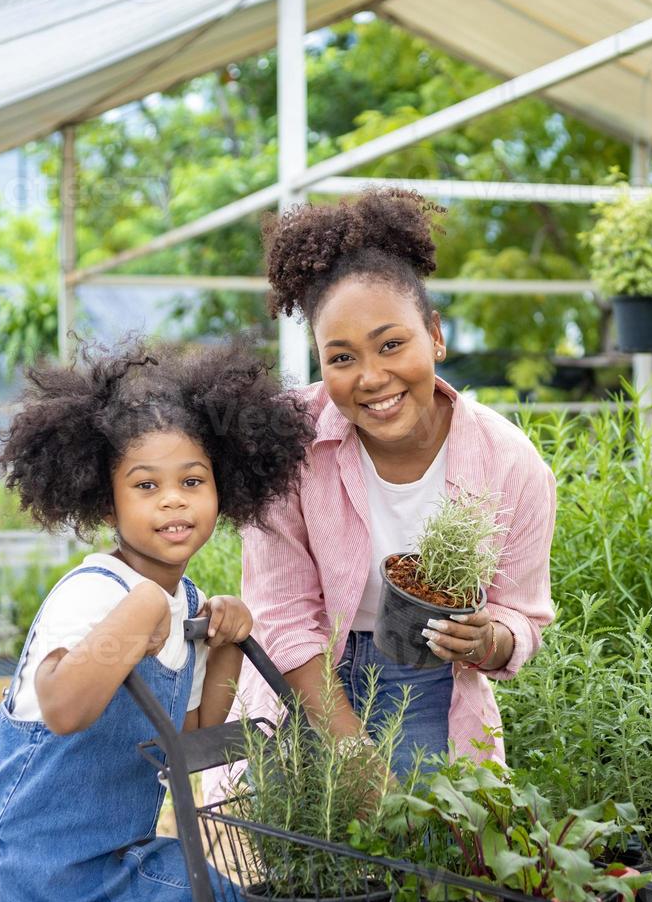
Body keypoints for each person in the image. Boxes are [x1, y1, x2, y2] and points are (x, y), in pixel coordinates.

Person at [0, 339, 312, 902]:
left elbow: (190, 735)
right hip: (27, 880)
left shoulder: (186, 602)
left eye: (193, 481)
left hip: (114, 864)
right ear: (106, 497)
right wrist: (139, 609)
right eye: (146, 486)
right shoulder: (92, 592)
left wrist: (222, 644)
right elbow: (65, 708)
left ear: (222, 490)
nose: (173, 498)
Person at [226, 188, 558, 777]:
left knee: (425, 857)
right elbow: (280, 613)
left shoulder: (510, 463)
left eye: (391, 345)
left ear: (434, 334)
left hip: (429, 687)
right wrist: (350, 745)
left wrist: (486, 641)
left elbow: (522, 615)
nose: (372, 378)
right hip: (301, 681)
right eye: (342, 358)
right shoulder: (287, 445)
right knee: (294, 857)